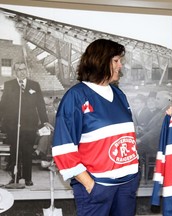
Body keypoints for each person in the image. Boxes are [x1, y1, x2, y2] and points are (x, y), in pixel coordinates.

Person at [52, 39, 139, 216]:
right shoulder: (76, 96)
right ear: (100, 61)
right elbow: (63, 149)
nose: (120, 66)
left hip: (126, 187)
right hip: (97, 187)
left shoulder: (119, 94)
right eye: (116, 61)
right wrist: (90, 184)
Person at [0, 62, 49, 186]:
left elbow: (41, 105)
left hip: (30, 125)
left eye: (24, 69)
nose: (22, 72)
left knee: (27, 151)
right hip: (13, 125)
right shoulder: (9, 85)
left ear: (27, 70)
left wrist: (45, 121)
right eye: (19, 70)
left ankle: (27, 178)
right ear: (15, 72)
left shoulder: (34, 85)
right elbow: (3, 106)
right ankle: (15, 177)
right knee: (15, 152)